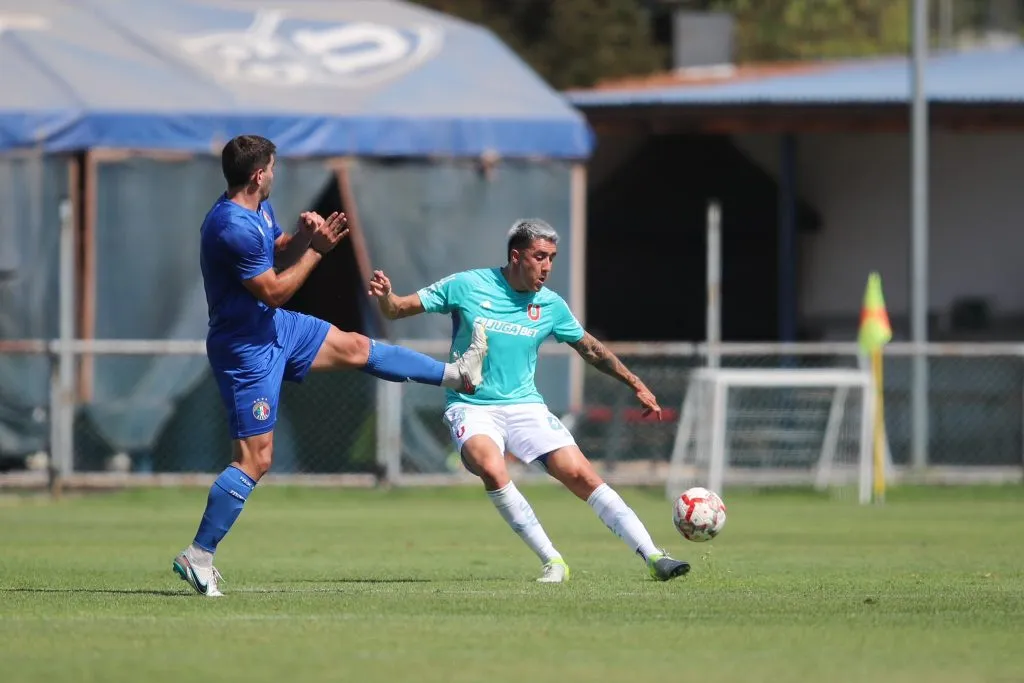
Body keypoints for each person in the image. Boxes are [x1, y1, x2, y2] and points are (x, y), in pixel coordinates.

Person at [172, 135, 488, 597]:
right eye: (274, 167)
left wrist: (300, 237)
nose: (276, 174)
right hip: (246, 349)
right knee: (256, 460)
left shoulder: (257, 209)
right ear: (259, 174)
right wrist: (317, 250)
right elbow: (274, 288)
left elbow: (274, 251)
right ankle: (198, 555)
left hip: (274, 328)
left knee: (358, 346)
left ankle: (455, 374)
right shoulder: (229, 225)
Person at [368, 218, 689, 583]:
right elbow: (399, 309)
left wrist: (635, 383)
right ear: (516, 256)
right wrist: (387, 298)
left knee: (581, 475)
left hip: (525, 407)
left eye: (552, 257)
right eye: (540, 256)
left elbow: (591, 349)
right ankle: (553, 561)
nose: (547, 266)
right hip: (471, 405)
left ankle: (653, 556)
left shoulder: (550, 305)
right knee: (491, 466)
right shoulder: (468, 285)